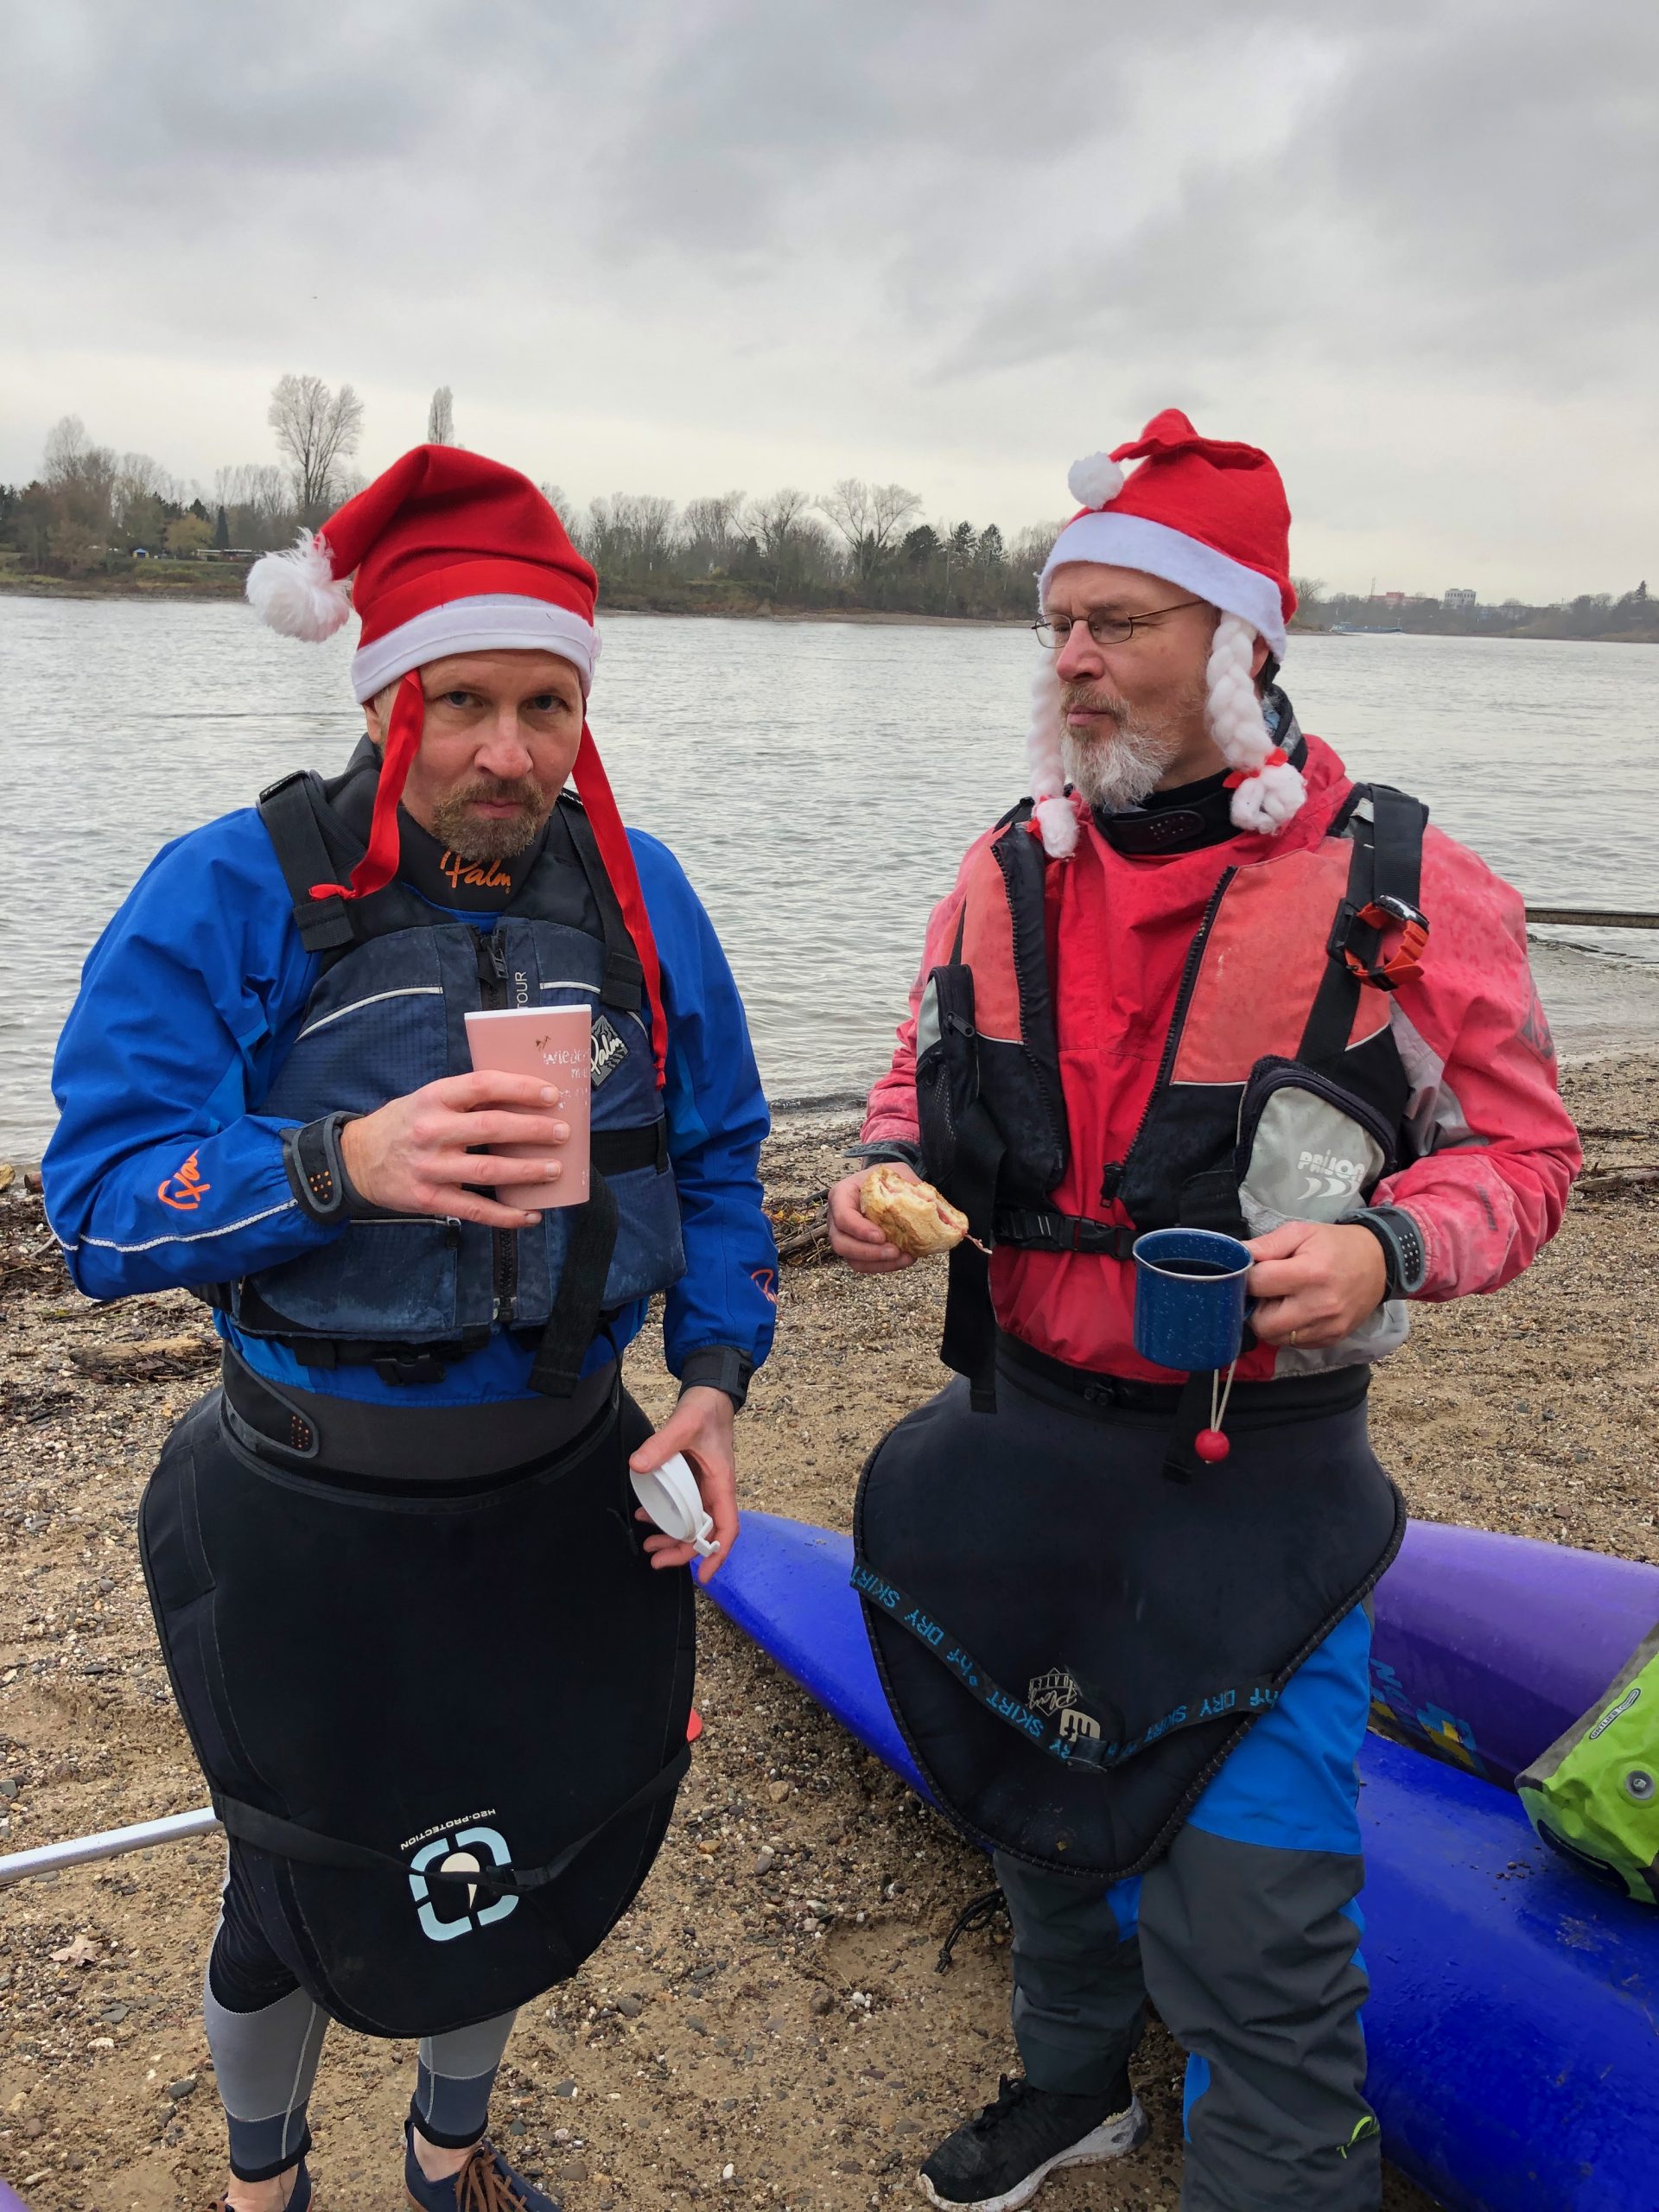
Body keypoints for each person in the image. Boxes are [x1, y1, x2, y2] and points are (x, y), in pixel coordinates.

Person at [829, 412, 1580, 2212]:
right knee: (1032, 1804)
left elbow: (1529, 1154)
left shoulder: (1408, 886)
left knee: (1260, 1928)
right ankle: (1073, 2083)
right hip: (1018, 1444)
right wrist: (875, 1174)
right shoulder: (1000, 868)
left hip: (1259, 1483)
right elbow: (913, 1085)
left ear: (1242, 642)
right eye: (1059, 624)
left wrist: (1391, 1249)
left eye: (1123, 623)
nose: (1075, 659)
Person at [42, 448, 777, 2212]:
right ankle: (265, 2183)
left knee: (524, 1853)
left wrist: (713, 1378)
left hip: (567, 1484)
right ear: (386, 697)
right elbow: (96, 1204)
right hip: (312, 1503)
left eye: (547, 705)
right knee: (292, 1891)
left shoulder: (642, 895)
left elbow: (719, 1156)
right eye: (464, 702)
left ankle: (448, 2153)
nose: (508, 752)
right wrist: (337, 1162)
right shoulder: (232, 889)